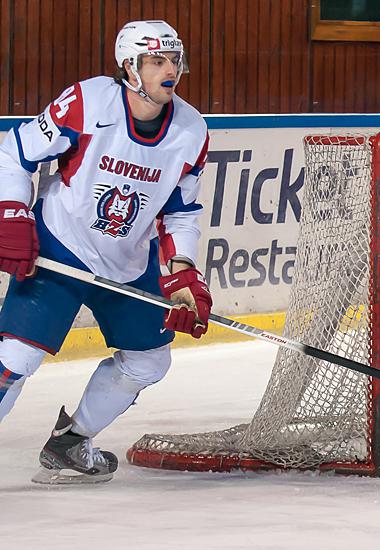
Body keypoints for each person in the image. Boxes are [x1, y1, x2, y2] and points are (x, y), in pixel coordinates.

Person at [0, 20, 211, 483]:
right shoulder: (88, 101)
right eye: (157, 61)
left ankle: (71, 444)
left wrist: (183, 273)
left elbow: (180, 212)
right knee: (17, 355)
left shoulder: (191, 129)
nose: (170, 71)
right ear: (129, 68)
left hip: (128, 262)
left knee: (150, 360)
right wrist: (12, 212)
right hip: (62, 246)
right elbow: (14, 153)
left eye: (174, 60)